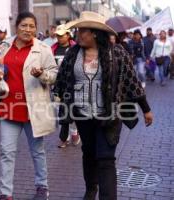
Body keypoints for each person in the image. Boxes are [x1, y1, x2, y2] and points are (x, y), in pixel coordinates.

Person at [53, 11, 153, 200]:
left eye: (83, 31)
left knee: (106, 159)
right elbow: (63, 80)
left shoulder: (117, 53)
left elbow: (133, 82)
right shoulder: (73, 53)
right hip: (82, 115)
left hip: (110, 116)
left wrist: (146, 109)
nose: (78, 34)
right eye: (78, 30)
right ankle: (91, 189)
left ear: (96, 33)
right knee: (89, 154)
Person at [0, 12, 58, 200]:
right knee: (6, 152)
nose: (28, 30)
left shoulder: (43, 49)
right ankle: (5, 193)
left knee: (37, 152)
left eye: (32, 26)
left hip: (33, 109)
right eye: (24, 26)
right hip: (8, 106)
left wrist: (42, 74)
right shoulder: (4, 46)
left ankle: (42, 187)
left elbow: (53, 75)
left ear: (36, 28)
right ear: (16, 26)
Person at [50, 24, 80, 148]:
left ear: (68, 35)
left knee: (73, 109)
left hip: (72, 84)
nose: (60, 38)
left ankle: (74, 131)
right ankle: (64, 137)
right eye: (58, 35)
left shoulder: (75, 49)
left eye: (62, 35)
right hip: (57, 84)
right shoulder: (52, 49)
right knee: (59, 110)